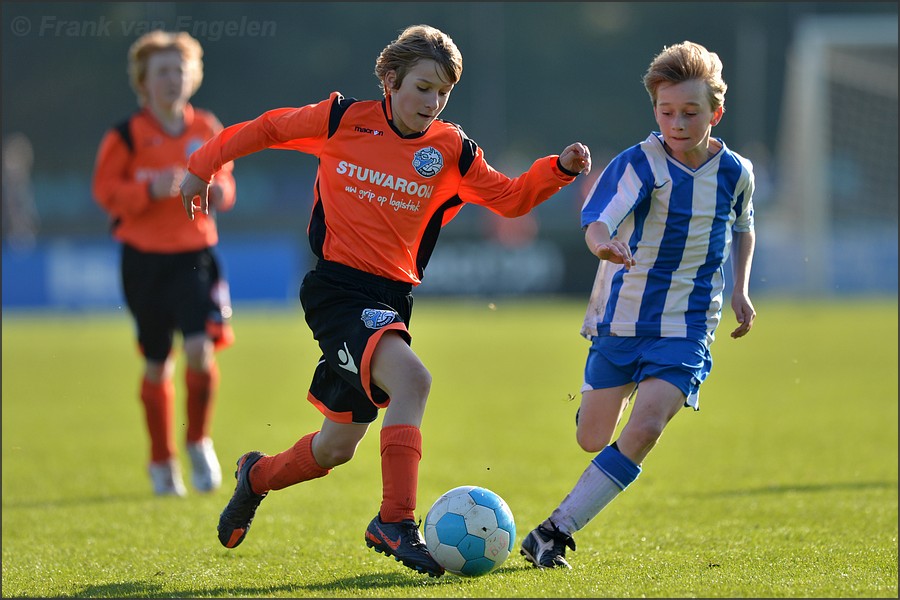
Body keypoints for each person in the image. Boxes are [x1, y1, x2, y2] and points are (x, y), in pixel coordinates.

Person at [180, 24, 590, 577]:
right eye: (423, 87)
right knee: (414, 380)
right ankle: (395, 520)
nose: (433, 102)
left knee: (334, 448)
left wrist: (557, 171)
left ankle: (255, 476)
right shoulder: (341, 119)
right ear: (391, 81)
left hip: (391, 300)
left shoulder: (451, 150)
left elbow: (512, 199)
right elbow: (268, 129)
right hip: (336, 292)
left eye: (443, 92)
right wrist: (202, 164)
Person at [520, 40, 756, 569]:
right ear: (655, 110)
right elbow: (598, 218)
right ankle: (610, 396)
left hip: (688, 325)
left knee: (645, 428)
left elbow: (743, 225)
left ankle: (554, 531)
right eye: (666, 111)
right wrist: (602, 244)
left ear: (716, 113)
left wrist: (740, 288)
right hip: (621, 318)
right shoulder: (639, 164)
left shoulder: (736, 173)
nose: (677, 122)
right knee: (592, 438)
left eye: (690, 113)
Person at [92, 30, 236, 497]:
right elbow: (105, 193)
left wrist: (212, 190)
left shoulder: (207, 128)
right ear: (144, 81)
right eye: (162, 72)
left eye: (180, 69)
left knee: (200, 350)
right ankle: (161, 460)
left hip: (194, 257)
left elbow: (228, 188)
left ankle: (197, 440)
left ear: (193, 76)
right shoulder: (126, 135)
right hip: (144, 263)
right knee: (158, 363)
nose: (173, 79)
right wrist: (147, 192)